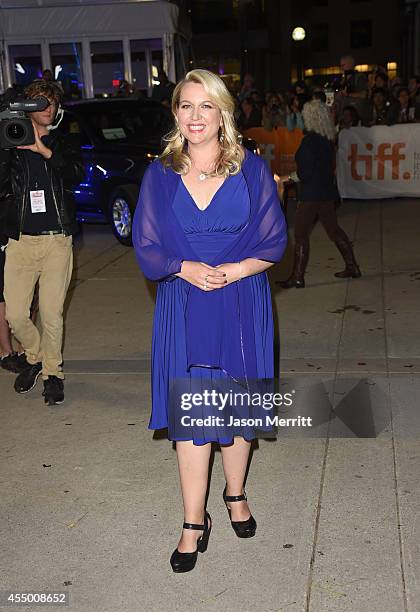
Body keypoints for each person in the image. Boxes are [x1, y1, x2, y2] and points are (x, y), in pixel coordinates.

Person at [132, 68, 287, 573]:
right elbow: (146, 244)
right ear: (175, 113)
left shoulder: (253, 170)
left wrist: (235, 269)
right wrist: (184, 268)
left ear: (223, 113)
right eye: (186, 105)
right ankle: (192, 521)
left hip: (241, 300)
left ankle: (235, 493)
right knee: (193, 419)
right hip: (183, 302)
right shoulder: (159, 174)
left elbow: (273, 239)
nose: (195, 116)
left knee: (237, 409)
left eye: (206, 106)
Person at [0, 80, 84, 404]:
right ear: (28, 107)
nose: (48, 109)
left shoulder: (63, 142)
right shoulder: (11, 143)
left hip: (56, 242)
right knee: (16, 315)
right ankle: (34, 356)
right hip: (21, 243)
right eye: (40, 103)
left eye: (52, 104)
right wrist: (8, 147)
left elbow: (76, 173)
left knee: (51, 314)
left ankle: (53, 374)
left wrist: (45, 151)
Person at [278, 99, 361, 289]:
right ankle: (352, 266)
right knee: (334, 230)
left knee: (300, 235)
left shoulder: (309, 141)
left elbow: (305, 173)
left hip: (311, 195)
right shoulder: (327, 139)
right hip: (326, 192)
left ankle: (297, 277)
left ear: (310, 117)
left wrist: (288, 177)